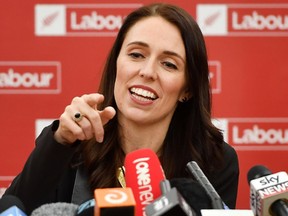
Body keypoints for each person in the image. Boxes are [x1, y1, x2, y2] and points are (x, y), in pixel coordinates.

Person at [4, 2, 239, 214]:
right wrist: (60, 142)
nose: (147, 71)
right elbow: (14, 208)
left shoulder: (214, 161)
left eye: (168, 64)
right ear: (117, 63)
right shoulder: (71, 147)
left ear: (187, 89)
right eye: (136, 54)